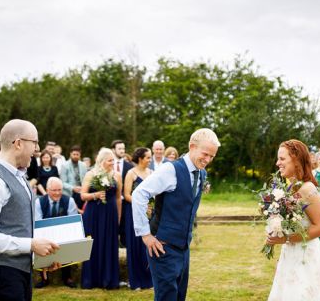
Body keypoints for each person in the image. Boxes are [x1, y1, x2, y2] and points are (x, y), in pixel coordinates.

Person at [0, 119, 60, 301]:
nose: (37, 150)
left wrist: (40, 256)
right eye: (34, 143)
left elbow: (21, 225)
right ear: (19, 143)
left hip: (18, 271)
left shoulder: (21, 176)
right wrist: (31, 245)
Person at [132, 128, 219, 301]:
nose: (208, 160)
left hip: (183, 247)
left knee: (180, 296)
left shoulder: (201, 173)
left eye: (212, 156)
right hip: (162, 246)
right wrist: (146, 235)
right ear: (192, 146)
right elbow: (139, 194)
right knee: (167, 297)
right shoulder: (170, 170)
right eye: (205, 154)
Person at [266, 139, 320, 300]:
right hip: (290, 255)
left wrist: (286, 238)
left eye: (282, 159)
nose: (277, 163)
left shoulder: (308, 188)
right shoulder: (289, 188)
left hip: (307, 257)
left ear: (296, 160)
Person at [80, 147, 122, 289]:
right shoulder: (91, 174)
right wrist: (95, 195)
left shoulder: (117, 175)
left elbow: (118, 198)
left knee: (109, 244)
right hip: (93, 214)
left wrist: (118, 217)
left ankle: (109, 279)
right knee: (93, 244)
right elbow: (83, 195)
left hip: (110, 214)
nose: (112, 163)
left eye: (113, 160)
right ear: (102, 161)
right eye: (110, 160)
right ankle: (92, 279)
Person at [34, 177, 78, 289]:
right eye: (54, 190)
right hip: (45, 233)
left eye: (60, 190)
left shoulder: (70, 201)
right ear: (47, 190)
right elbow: (38, 222)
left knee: (68, 242)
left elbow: (72, 222)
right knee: (41, 244)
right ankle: (44, 278)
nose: (57, 193)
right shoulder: (39, 202)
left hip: (64, 232)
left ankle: (67, 277)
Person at [124, 147, 153, 290]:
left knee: (147, 246)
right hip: (134, 213)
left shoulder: (152, 173)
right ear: (140, 159)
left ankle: (149, 279)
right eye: (148, 157)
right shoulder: (131, 173)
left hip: (149, 214)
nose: (150, 160)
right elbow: (127, 194)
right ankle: (135, 281)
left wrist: (151, 205)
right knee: (135, 246)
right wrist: (141, 204)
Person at [60, 145, 88, 210]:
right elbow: (62, 182)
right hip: (69, 193)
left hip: (82, 192)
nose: (75, 156)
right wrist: (73, 188)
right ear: (70, 154)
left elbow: (86, 180)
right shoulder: (64, 165)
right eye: (74, 154)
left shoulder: (83, 165)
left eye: (77, 154)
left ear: (80, 155)